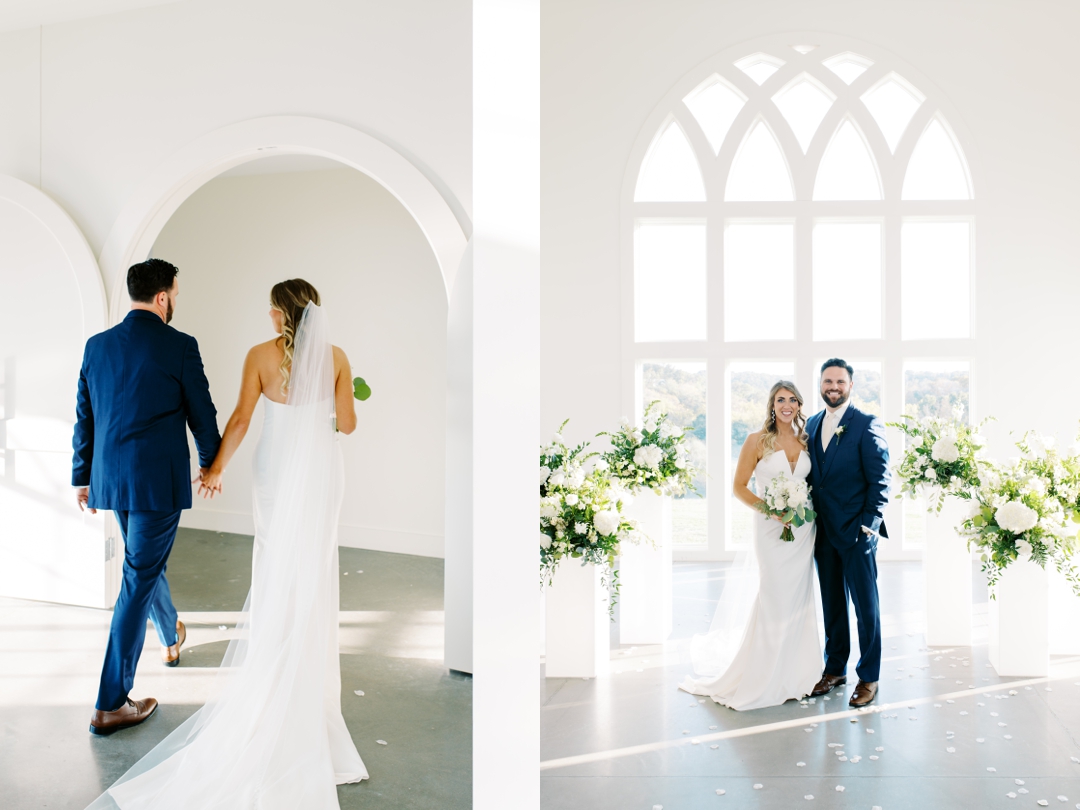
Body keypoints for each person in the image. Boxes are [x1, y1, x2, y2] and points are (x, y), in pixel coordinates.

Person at [86, 279, 367, 809]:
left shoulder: (260, 356)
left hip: (273, 470)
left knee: (273, 563)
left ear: (275, 314)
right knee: (312, 566)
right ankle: (306, 687)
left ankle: (269, 676)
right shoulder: (337, 357)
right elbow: (347, 425)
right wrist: (338, 398)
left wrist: (214, 469)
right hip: (321, 475)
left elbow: (239, 419)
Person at [73, 258, 220, 736]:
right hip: (156, 485)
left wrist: (82, 476)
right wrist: (211, 462)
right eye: (175, 293)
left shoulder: (97, 346)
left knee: (141, 565)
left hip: (111, 480)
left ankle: (171, 629)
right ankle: (110, 702)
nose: (175, 301)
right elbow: (202, 411)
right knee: (137, 579)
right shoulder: (180, 346)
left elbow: (85, 416)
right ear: (163, 297)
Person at [680, 381, 821, 710]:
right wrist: (771, 511)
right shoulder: (756, 441)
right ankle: (764, 675)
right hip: (770, 530)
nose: (787, 405)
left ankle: (797, 674)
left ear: (800, 405)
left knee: (799, 598)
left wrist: (798, 511)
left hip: (802, 530)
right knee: (774, 595)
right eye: (780, 399)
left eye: (793, 400)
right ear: (772, 405)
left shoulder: (807, 440)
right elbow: (740, 487)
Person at [805, 358, 890, 708]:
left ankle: (868, 677)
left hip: (857, 533)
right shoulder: (810, 423)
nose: (833, 387)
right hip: (822, 531)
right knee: (833, 605)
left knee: (866, 608)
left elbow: (881, 479)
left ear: (851, 386)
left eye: (840, 381)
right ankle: (835, 669)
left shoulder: (866, 424)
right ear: (821, 384)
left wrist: (868, 525)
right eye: (828, 381)